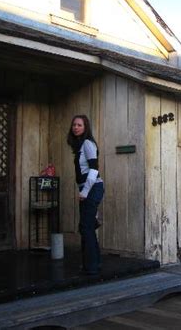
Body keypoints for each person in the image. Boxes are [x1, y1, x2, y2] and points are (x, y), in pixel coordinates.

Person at [67, 115, 104, 275]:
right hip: (88, 188)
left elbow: (94, 169)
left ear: (85, 127)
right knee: (87, 227)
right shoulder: (80, 145)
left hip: (93, 188)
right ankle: (94, 263)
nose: (76, 127)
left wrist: (85, 192)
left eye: (79, 125)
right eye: (74, 125)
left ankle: (92, 267)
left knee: (86, 227)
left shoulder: (88, 143)